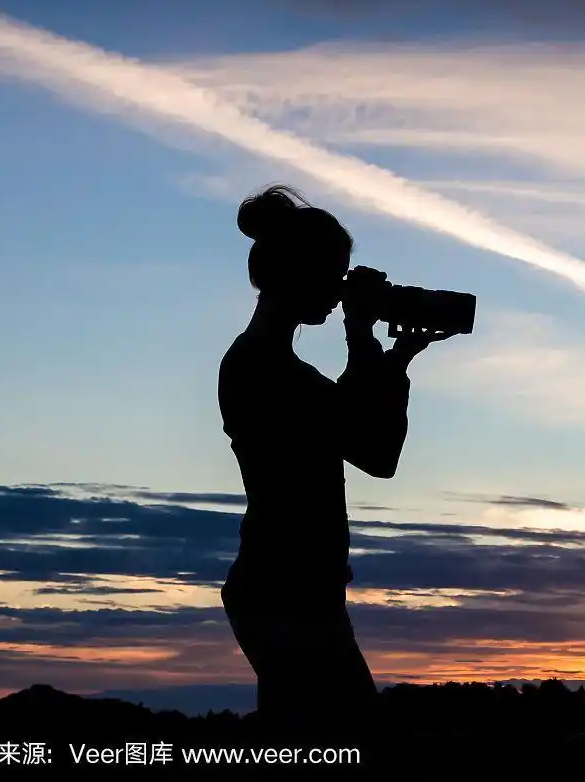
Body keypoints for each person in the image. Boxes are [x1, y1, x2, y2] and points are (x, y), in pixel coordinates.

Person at [217, 184, 454, 740]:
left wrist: (391, 358)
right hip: (287, 598)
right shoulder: (263, 370)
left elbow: (373, 447)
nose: (341, 290)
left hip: (293, 592)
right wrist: (364, 338)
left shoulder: (272, 366)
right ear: (296, 271)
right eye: (335, 273)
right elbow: (371, 447)